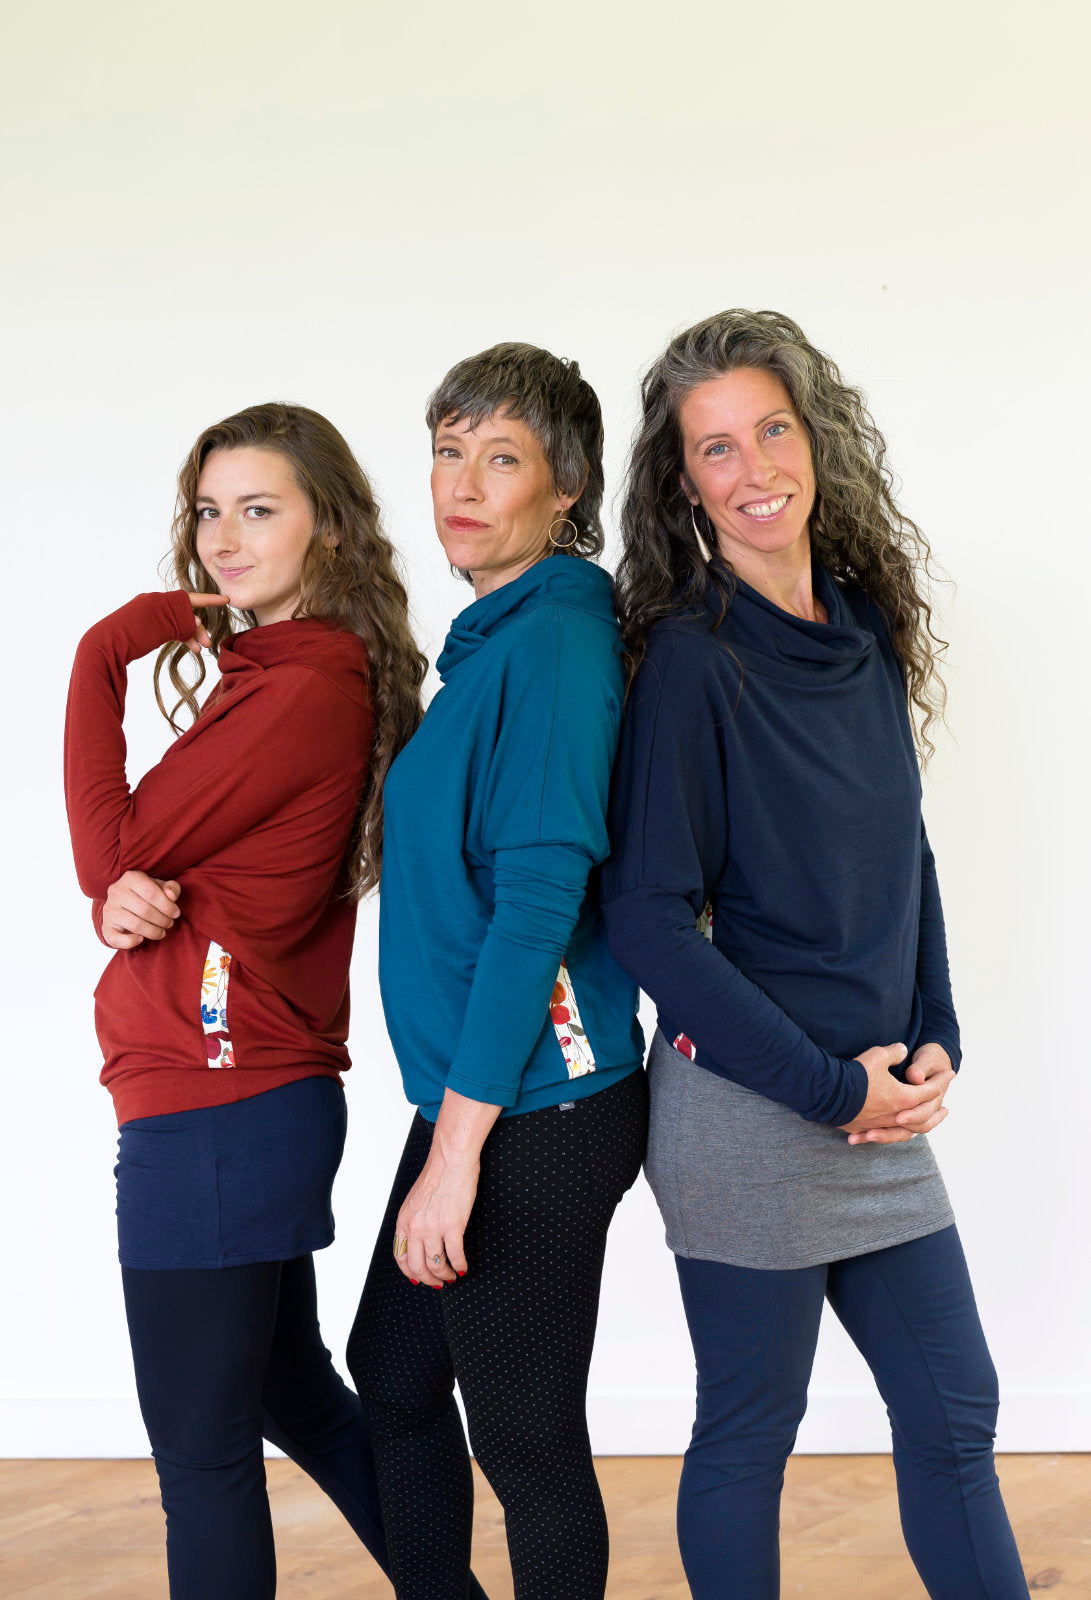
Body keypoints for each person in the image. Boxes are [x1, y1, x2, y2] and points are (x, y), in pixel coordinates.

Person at [600, 310, 1030, 1600]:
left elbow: (906, 855)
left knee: (955, 1407)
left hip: (881, 1111)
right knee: (749, 1427)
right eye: (715, 448)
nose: (751, 469)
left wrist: (935, 1025)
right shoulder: (689, 659)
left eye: (769, 430)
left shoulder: (863, 630)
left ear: (813, 437)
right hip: (747, 1111)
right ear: (685, 483)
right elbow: (647, 921)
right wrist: (835, 1087)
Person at [65, 402, 490, 1600]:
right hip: (239, 1101)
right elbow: (139, 861)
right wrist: (120, 888)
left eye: (260, 509)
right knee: (287, 1390)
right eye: (210, 511)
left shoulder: (299, 683)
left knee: (201, 1465)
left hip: (214, 1105)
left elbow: (123, 835)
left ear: (331, 531)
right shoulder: (278, 673)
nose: (225, 539)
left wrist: (107, 651)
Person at [345, 343, 648, 1600]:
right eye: (447, 449)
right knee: (398, 1372)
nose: (462, 484)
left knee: (523, 1439)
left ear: (564, 490)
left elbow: (536, 907)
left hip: (539, 1107)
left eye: (502, 458)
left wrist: (455, 1154)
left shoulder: (557, 643)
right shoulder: (490, 639)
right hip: (485, 1094)